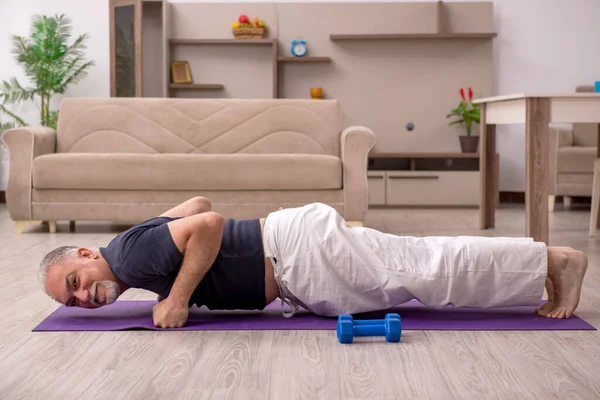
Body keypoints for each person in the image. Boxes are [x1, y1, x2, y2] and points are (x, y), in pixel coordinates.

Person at [38, 197, 588, 329]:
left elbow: (207, 224)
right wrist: (165, 242)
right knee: (420, 265)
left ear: (87, 255)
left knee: (426, 270)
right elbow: (197, 206)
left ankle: (552, 261)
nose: (83, 297)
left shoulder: (129, 259)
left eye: (75, 282)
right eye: (73, 301)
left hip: (300, 257)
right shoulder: (135, 247)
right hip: (299, 251)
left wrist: (178, 297)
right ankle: (542, 263)